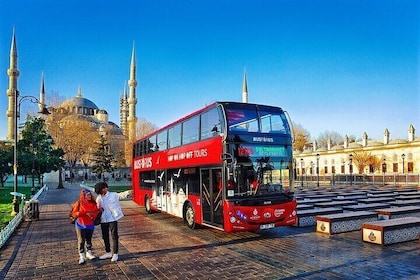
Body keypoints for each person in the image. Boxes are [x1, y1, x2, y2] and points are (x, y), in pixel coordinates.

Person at [94, 182, 124, 262]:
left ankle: (115, 253)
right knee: (105, 236)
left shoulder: (113, 195)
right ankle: (108, 252)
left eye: (105, 187)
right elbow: (96, 209)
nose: (105, 189)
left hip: (112, 218)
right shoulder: (99, 198)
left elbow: (121, 195)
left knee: (114, 236)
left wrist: (128, 192)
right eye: (103, 188)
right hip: (104, 219)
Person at [71, 188, 99, 265]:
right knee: (81, 240)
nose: (89, 196)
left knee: (89, 240)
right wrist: (84, 213)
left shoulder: (93, 203)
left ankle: (89, 253)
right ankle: (82, 255)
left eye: (90, 194)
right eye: (88, 195)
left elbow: (96, 212)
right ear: (84, 196)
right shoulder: (79, 202)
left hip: (90, 225)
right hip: (81, 225)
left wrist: (93, 215)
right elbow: (74, 213)